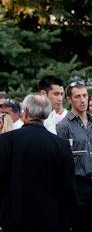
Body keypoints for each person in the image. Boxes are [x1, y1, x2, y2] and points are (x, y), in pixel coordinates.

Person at [0, 94, 77, 232]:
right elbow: (68, 186)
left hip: (14, 217)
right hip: (51, 219)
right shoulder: (61, 145)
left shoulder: (5, 141)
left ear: (26, 111)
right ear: (46, 114)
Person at [56, 82, 92, 232]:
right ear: (69, 99)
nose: (83, 100)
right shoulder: (63, 126)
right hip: (77, 184)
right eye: (77, 96)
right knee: (79, 225)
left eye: (85, 95)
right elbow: (62, 159)